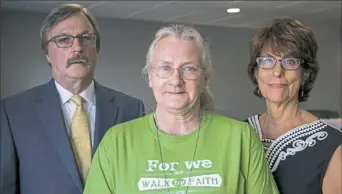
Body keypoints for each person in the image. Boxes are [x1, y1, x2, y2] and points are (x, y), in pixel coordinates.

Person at [84, 24, 279, 194]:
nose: (176, 81)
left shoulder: (240, 138)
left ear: (205, 78)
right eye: (165, 68)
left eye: (189, 69)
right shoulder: (117, 143)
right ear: (150, 77)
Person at [0, 4, 144, 194]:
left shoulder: (131, 109)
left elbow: (139, 180)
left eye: (86, 38)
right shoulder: (14, 112)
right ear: (47, 53)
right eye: (64, 40)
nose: (77, 48)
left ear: (97, 50)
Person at [245, 18, 342, 194]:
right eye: (267, 61)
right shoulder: (239, 133)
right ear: (256, 71)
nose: (277, 72)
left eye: (290, 62)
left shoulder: (332, 144)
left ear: (305, 73)